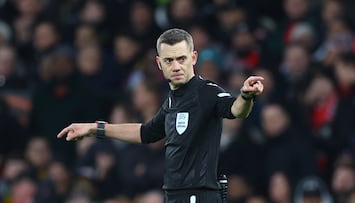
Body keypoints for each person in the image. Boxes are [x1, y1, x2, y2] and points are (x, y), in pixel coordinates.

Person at [57, 28, 264, 203]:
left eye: (181, 59)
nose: (176, 66)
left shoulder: (207, 92)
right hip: (173, 193)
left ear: (193, 58)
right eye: (169, 60)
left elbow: (236, 110)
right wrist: (95, 129)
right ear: (159, 63)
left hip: (198, 194)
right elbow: (146, 132)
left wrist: (245, 96)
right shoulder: (172, 99)